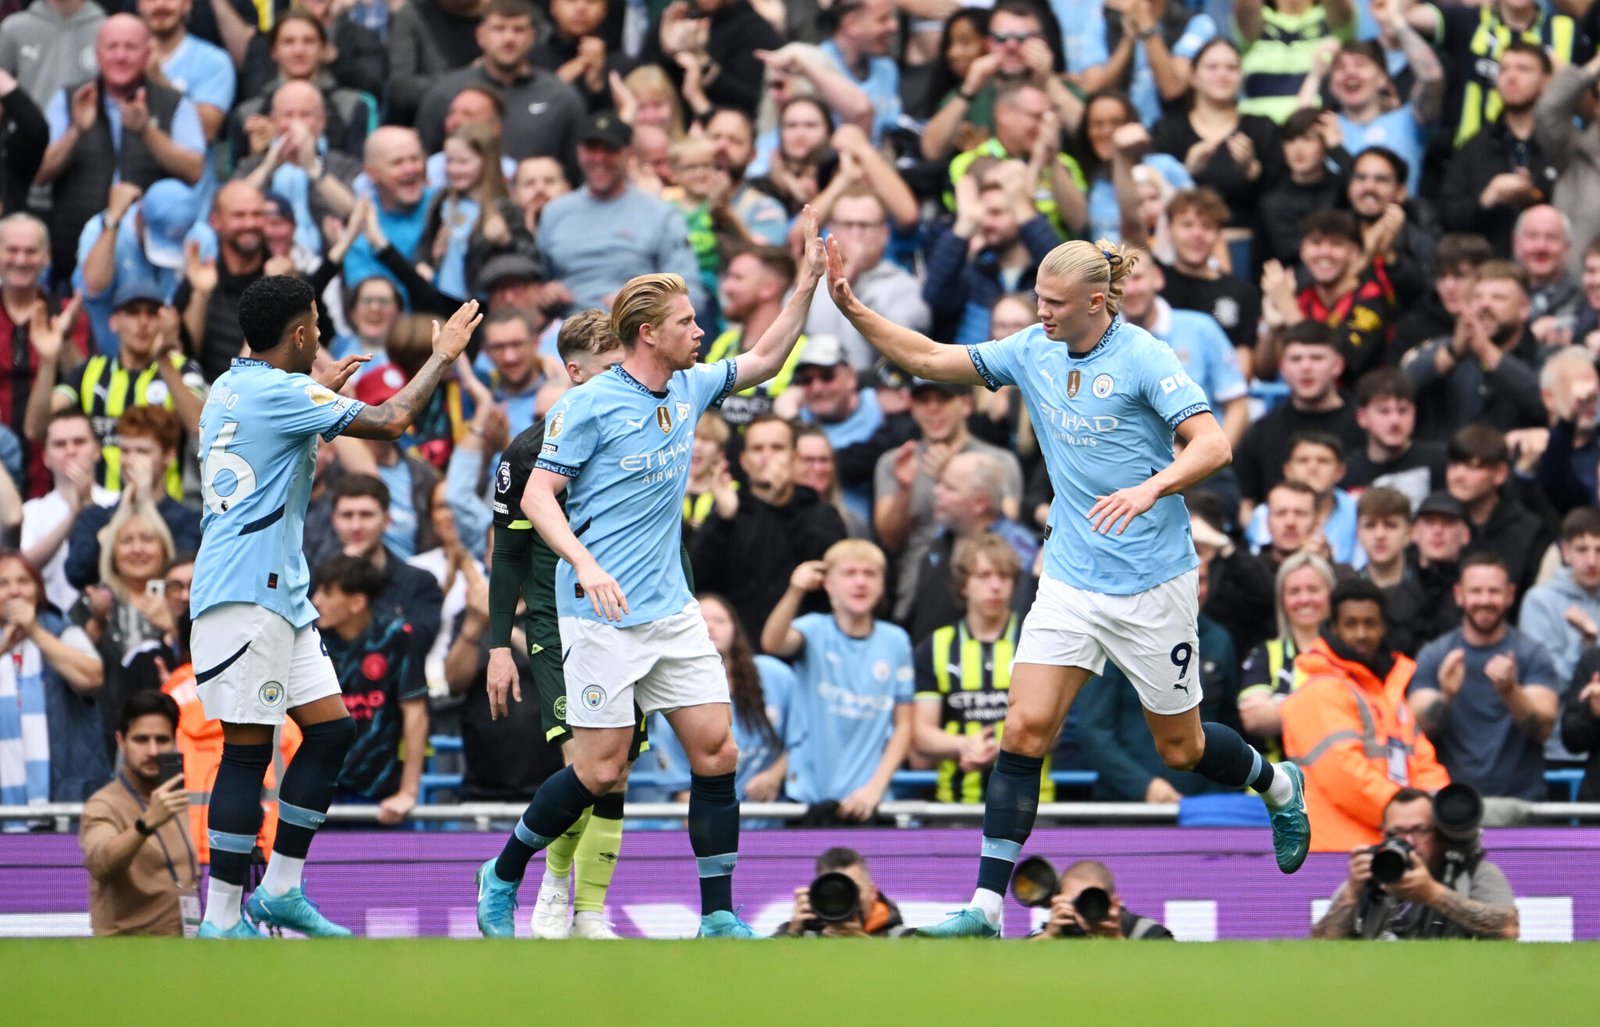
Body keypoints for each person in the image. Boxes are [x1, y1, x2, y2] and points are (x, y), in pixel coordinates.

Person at [822, 235, 1311, 939]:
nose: (1040, 313)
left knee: (1183, 746)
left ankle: (1280, 785)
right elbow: (931, 358)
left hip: (1152, 582)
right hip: (1072, 577)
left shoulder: (1143, 355)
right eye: (1038, 302)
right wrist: (854, 308)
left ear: (1095, 301)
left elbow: (1213, 444)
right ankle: (986, 907)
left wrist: (1152, 488)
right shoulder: (1033, 348)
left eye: (1053, 304)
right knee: (1023, 729)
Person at [475, 213, 826, 940]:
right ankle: (504, 867)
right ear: (649, 334)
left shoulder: (690, 388)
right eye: (688, 322)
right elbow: (538, 495)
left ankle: (720, 914)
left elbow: (763, 357)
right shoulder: (589, 404)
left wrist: (807, 283)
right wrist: (586, 562)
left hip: (670, 610)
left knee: (718, 751)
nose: (700, 331)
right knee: (600, 772)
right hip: (598, 614)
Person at [188, 275, 480, 939]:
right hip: (242, 595)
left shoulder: (230, 388)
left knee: (331, 731)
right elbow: (396, 421)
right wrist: (444, 354)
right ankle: (221, 918)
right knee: (246, 750)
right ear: (298, 334)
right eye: (315, 323)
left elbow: (281, 451)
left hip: (279, 595)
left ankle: (283, 889)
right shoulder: (281, 390)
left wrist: (329, 396)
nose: (320, 333)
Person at [474, 309, 639, 940]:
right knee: (584, 759)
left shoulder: (635, 437)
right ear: (574, 373)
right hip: (556, 622)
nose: (621, 379)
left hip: (628, 617)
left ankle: (590, 911)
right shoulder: (525, 453)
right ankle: (551, 885)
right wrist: (497, 648)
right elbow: (508, 554)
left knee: (615, 766)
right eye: (606, 369)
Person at [34, 14, 206, 285]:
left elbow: (194, 170)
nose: (121, 56)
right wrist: (76, 131)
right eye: (112, 47)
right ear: (97, 53)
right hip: (73, 258)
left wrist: (147, 132)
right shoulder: (70, 99)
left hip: (151, 263)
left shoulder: (174, 103)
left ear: (147, 52)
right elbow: (40, 173)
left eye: (130, 47)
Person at [1282, 578, 1450, 852]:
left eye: (1370, 624)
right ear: (1334, 628)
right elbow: (1344, 776)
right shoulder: (1319, 689)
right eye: (1351, 624)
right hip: (1337, 853)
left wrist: (1442, 811)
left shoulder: (1387, 691)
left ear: (1383, 627)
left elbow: (1422, 763)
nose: (1361, 633)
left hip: (1394, 846)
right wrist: (1414, 819)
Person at [760, 540, 915, 821]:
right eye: (849, 573)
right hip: (808, 797)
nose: (860, 582)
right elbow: (772, 643)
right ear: (828, 583)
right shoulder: (813, 629)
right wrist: (795, 591)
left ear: (882, 584)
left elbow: (904, 725)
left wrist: (874, 789)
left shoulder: (896, 641)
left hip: (867, 800)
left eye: (870, 574)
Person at [1410, 553, 1561, 801]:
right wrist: (1446, 695)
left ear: (1510, 595)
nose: (1485, 600)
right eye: (1476, 591)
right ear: (1459, 595)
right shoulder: (1435, 655)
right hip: (1452, 804)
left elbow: (1543, 728)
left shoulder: (1532, 654)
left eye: (1493, 591)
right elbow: (1416, 731)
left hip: (1521, 803)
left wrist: (1510, 690)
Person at [33, 286, 204, 495]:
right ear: (113, 321)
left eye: (152, 313)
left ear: (165, 322)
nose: (143, 322)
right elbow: (36, 427)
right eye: (133, 312)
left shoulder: (182, 368)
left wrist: (163, 360)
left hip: (162, 510)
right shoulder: (91, 371)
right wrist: (48, 361)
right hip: (99, 508)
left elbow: (199, 425)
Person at [690, 414, 846, 639]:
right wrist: (723, 519)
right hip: (738, 650)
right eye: (757, 449)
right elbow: (696, 581)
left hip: (801, 644)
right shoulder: (728, 510)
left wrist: (783, 507)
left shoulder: (820, 512)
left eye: (777, 448)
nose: (767, 457)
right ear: (743, 461)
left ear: (794, 458)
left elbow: (830, 576)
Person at [538, 111, 704, 313]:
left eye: (610, 149)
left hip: (634, 331)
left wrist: (640, 301)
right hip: (568, 329)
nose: (600, 158)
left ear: (629, 154)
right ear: (579, 151)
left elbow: (692, 294)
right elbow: (536, 285)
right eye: (592, 148)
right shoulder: (554, 213)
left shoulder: (661, 215)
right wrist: (545, 292)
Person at [1310, 787, 1519, 940]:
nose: (1408, 841)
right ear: (1383, 835)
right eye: (1396, 833)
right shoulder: (1369, 876)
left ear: (1440, 835)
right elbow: (1319, 947)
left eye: (1419, 831)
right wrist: (1353, 893)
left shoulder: (1476, 873)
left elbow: (1508, 929)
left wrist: (1432, 893)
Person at [310, 556, 427, 819]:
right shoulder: (308, 639)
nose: (316, 601)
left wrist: (408, 792)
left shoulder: (397, 637)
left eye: (327, 593)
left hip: (379, 794)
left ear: (357, 602)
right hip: (315, 791)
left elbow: (415, 713)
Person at [79, 691, 199, 936]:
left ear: (174, 741)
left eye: (162, 739)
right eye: (141, 739)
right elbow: (101, 863)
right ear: (121, 741)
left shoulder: (176, 797)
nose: (153, 750)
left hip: (182, 949)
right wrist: (145, 824)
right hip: (127, 953)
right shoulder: (103, 804)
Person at [415, 0, 585, 165]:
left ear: (532, 37)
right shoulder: (447, 93)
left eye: (518, 30)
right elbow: (427, 164)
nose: (509, 38)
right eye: (499, 29)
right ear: (480, 35)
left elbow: (576, 170)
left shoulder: (561, 97)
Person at [0, 548, 107, 805]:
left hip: (64, 798)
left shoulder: (61, 629)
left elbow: (92, 678)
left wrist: (35, 632)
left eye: (23, 581)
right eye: (3, 583)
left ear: (38, 589)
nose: (14, 591)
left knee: (54, 849)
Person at [1237, 550, 1337, 762]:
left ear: (1330, 594)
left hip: (1339, 779)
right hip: (1276, 784)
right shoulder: (1265, 653)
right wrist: (1331, 708)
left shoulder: (1348, 654)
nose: (1304, 599)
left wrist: (1282, 707)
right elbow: (1255, 718)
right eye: (1293, 591)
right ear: (1281, 600)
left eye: (1313, 589)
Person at [175, 182, 272, 381]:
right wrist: (200, 295)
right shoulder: (200, 279)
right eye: (239, 215)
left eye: (257, 214)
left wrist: (274, 288)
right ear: (215, 221)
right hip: (205, 399)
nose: (250, 223)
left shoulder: (285, 279)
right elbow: (184, 355)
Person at [1343, 368, 1447, 510]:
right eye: (1384, 411)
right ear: (1362, 417)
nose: (1395, 420)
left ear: (1414, 414)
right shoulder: (1347, 472)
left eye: (1403, 410)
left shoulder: (1439, 460)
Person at [776, 846, 908, 938]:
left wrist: (865, 948)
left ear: (872, 892)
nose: (843, 899)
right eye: (832, 893)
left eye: (854, 890)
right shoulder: (801, 935)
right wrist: (790, 935)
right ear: (814, 895)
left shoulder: (902, 939)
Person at [1030, 859, 1173, 940]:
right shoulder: (1052, 933)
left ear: (1114, 903)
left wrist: (1117, 939)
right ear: (1058, 902)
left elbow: (1171, 971)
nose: (1084, 908)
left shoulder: (1143, 931)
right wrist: (1048, 936)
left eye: (1093, 899)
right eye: (1074, 902)